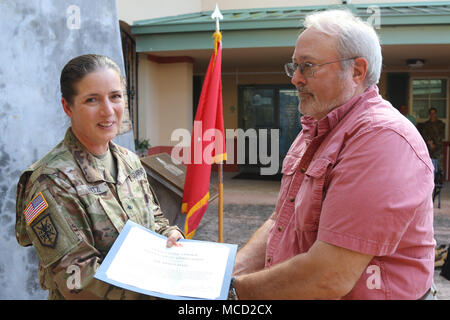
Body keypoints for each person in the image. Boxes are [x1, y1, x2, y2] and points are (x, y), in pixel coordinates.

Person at [229, 10, 435, 300]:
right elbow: (280, 221)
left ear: (357, 71)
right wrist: (227, 275)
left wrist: (231, 294)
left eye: (308, 66)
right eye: (295, 67)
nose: (296, 79)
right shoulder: (314, 130)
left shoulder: (381, 139)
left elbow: (329, 276)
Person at [15, 54, 184, 300]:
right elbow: (77, 280)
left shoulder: (128, 160)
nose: (108, 111)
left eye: (115, 96)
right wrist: (160, 293)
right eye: (92, 100)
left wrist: (168, 235)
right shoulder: (51, 181)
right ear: (67, 107)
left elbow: (153, 218)